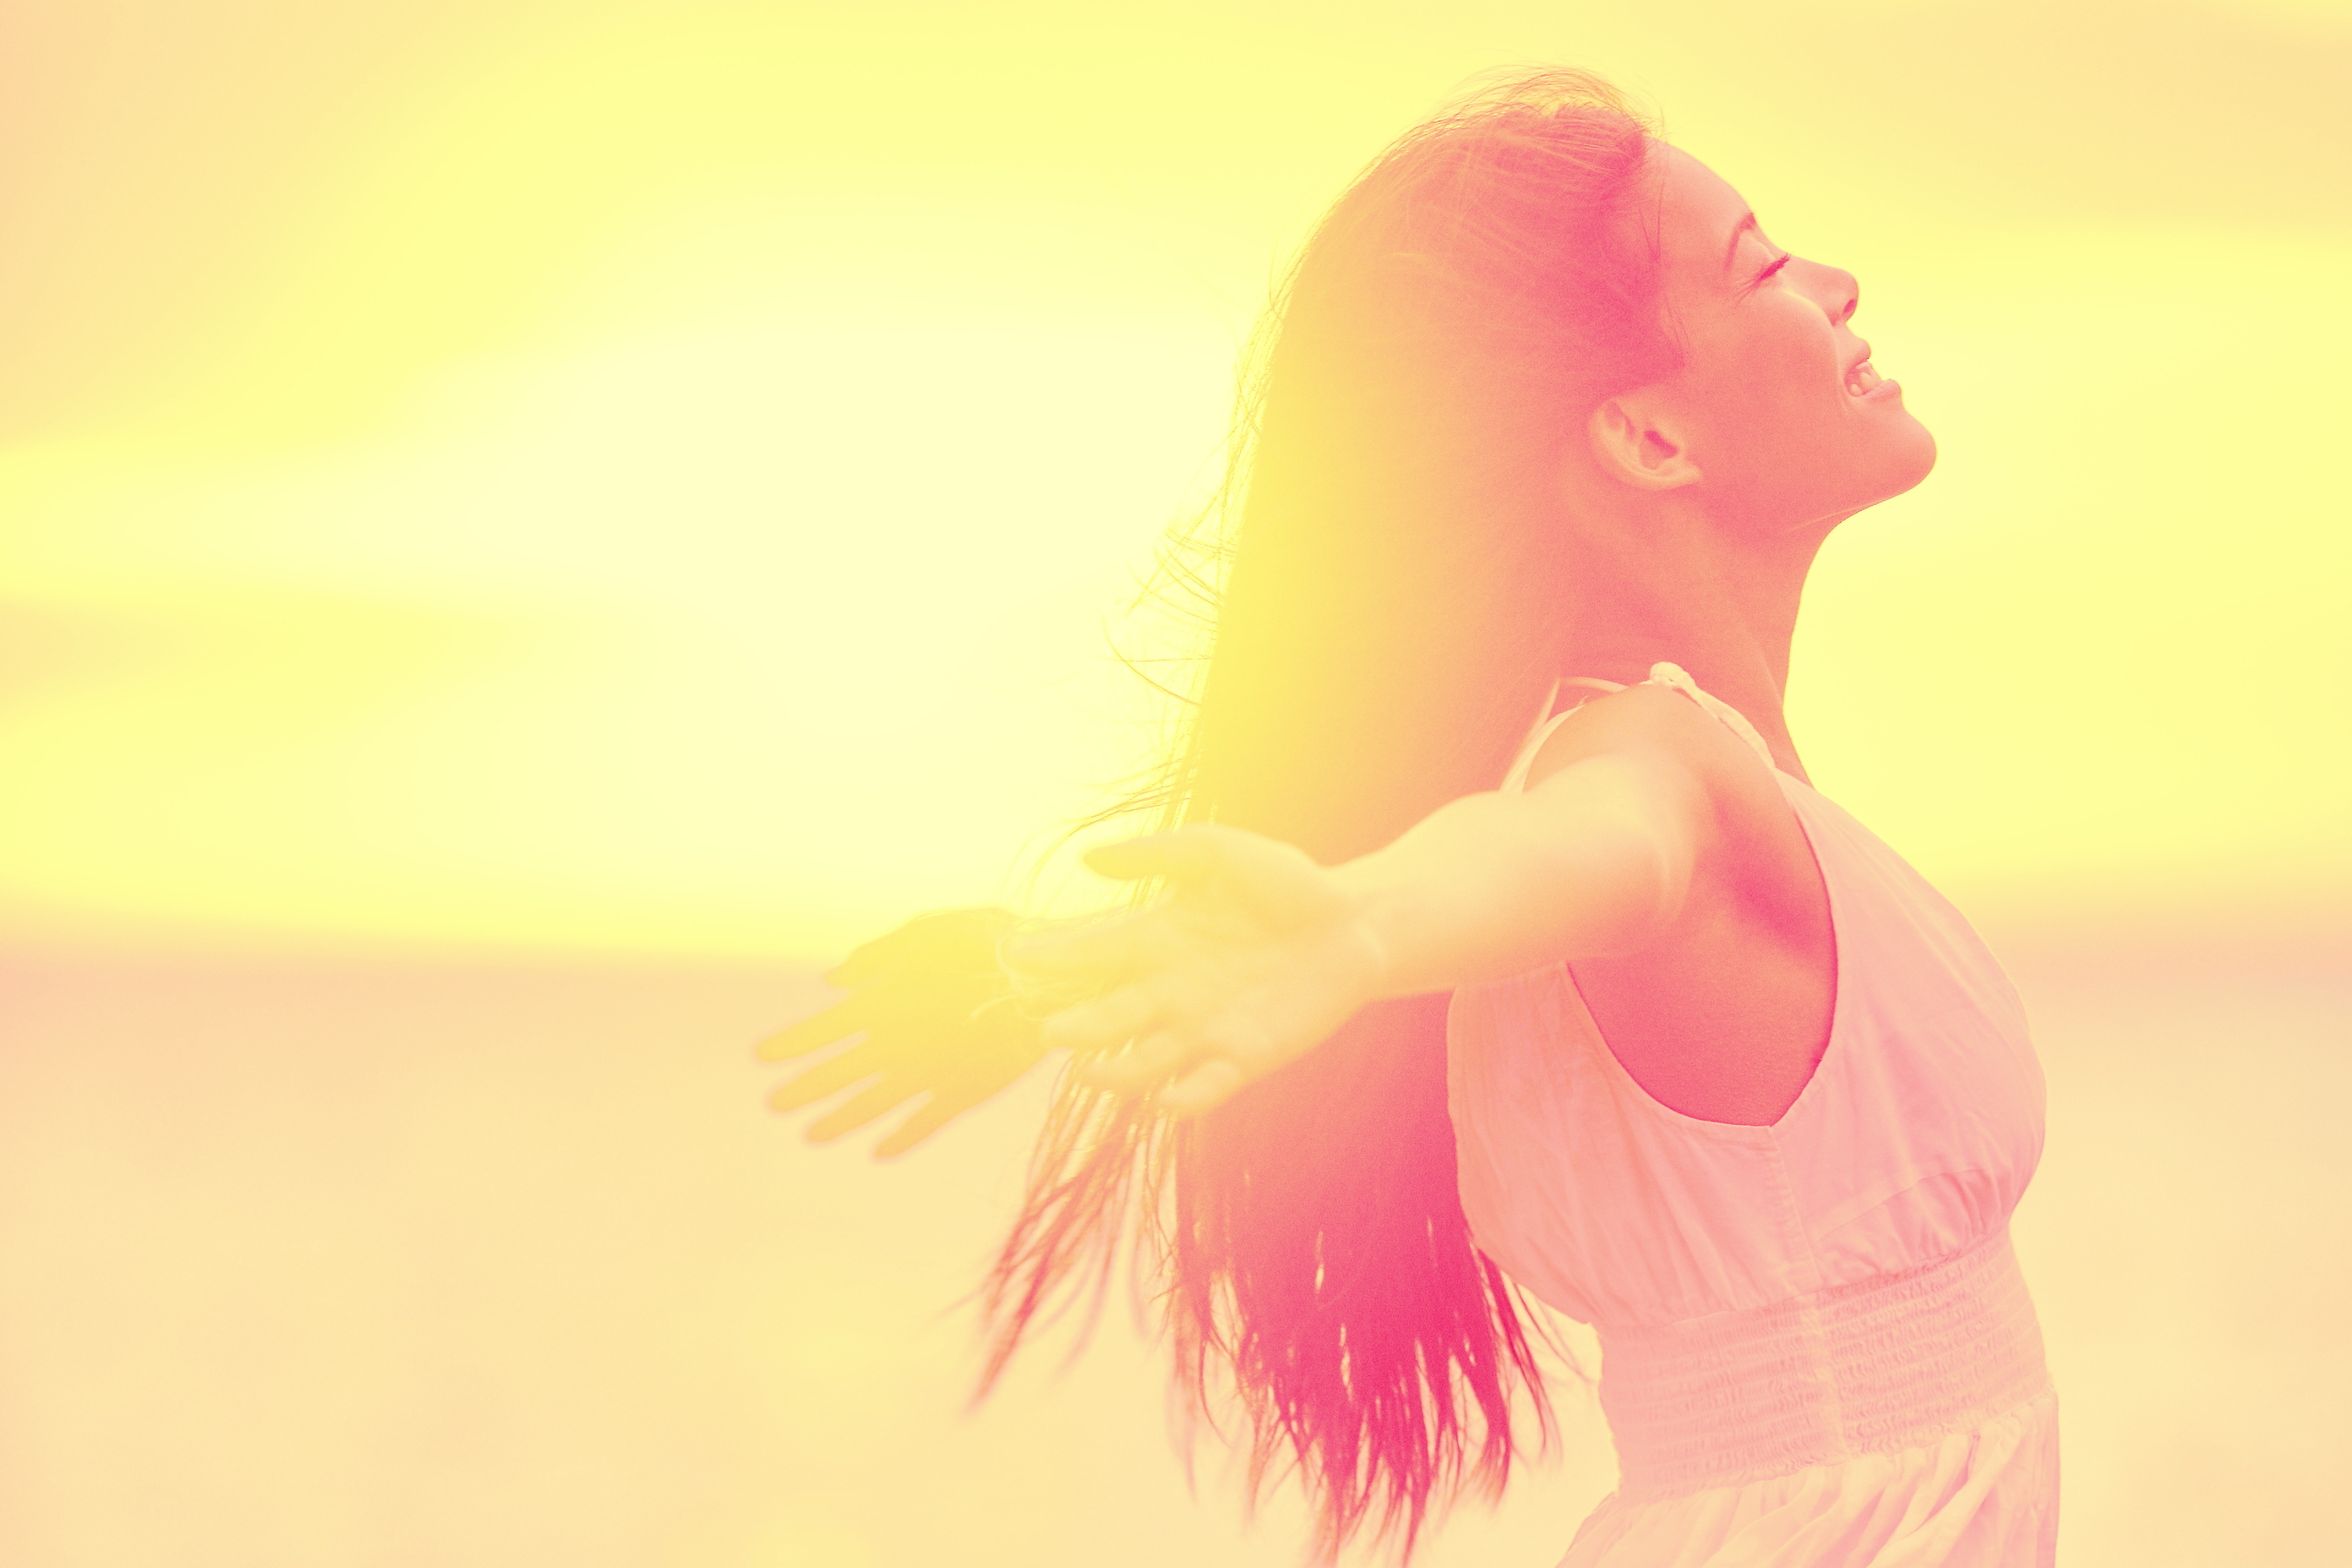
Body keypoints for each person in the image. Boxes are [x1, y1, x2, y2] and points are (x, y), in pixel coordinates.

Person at [761, 68, 2058, 1566]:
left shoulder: (1688, 783)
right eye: (1764, 265)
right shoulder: (1652, 774)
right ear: (1647, 439)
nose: (1836, 285)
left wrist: (1070, 968)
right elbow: (1583, 852)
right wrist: (1359, 927)